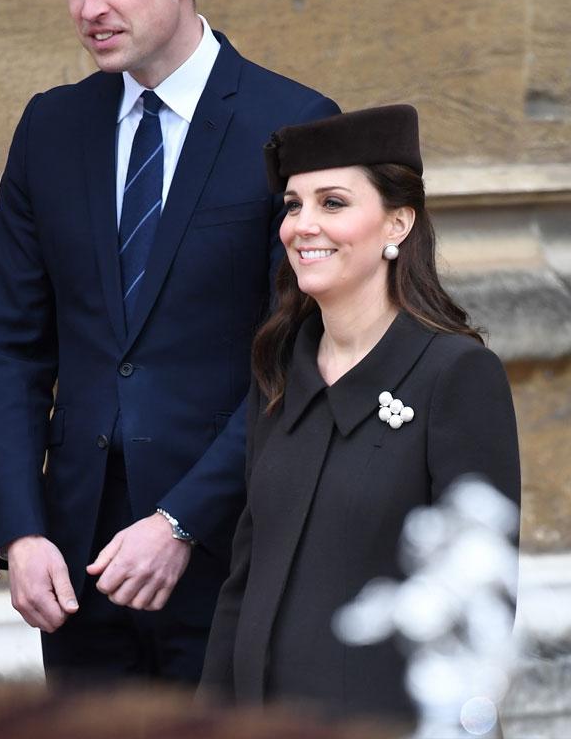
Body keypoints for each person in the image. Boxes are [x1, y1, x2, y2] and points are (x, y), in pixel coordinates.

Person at [0, 0, 339, 686]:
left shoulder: (297, 127)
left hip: (231, 551)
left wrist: (182, 521)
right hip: (77, 565)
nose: (88, 6)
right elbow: (8, 342)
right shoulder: (50, 128)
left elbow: (308, 351)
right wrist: (21, 531)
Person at [198, 105, 522, 720]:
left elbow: (479, 605)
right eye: (293, 205)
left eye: (333, 203)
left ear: (398, 223)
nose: (302, 225)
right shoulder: (279, 363)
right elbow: (244, 577)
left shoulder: (456, 375)